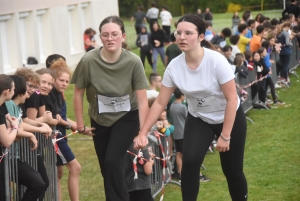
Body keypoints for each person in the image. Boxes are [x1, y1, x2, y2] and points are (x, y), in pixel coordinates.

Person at [134, 14, 248, 201]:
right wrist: (143, 132)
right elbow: (161, 102)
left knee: (232, 170)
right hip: (200, 118)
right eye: (178, 33)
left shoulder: (216, 61)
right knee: (189, 163)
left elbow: (231, 99)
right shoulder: (174, 67)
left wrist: (225, 135)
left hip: (229, 117)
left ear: (201, 37)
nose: (182, 37)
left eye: (188, 33)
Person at [71, 16, 149, 201]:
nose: (110, 38)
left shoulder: (133, 61)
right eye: (105, 35)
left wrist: (143, 132)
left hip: (127, 116)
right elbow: (78, 93)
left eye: (114, 34)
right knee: (107, 169)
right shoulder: (88, 60)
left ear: (122, 36)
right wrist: (80, 125)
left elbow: (143, 100)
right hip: (100, 118)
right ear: (100, 37)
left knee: (113, 161)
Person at [6, 75, 46, 201]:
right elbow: (16, 132)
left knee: (39, 183)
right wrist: (31, 134)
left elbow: (21, 126)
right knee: (37, 183)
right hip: (8, 157)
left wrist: (40, 127)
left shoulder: (17, 107)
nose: (32, 91)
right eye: (29, 87)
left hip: (13, 157)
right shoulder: (9, 105)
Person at [169, 88, 186, 178]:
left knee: (178, 153)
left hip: (176, 133)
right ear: (182, 95)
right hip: (183, 132)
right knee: (185, 154)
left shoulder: (172, 106)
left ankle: (181, 172)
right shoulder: (182, 107)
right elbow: (187, 118)